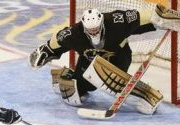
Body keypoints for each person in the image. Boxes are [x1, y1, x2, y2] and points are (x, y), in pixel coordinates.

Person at [29, 4, 180, 115]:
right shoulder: (74, 33)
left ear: (101, 23)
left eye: (95, 28)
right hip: (90, 60)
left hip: (119, 55)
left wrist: (161, 16)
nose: (93, 31)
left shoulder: (116, 20)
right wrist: (43, 52)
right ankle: (63, 76)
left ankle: (139, 96)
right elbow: (56, 41)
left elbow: (146, 14)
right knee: (75, 96)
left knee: (116, 81)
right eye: (90, 29)